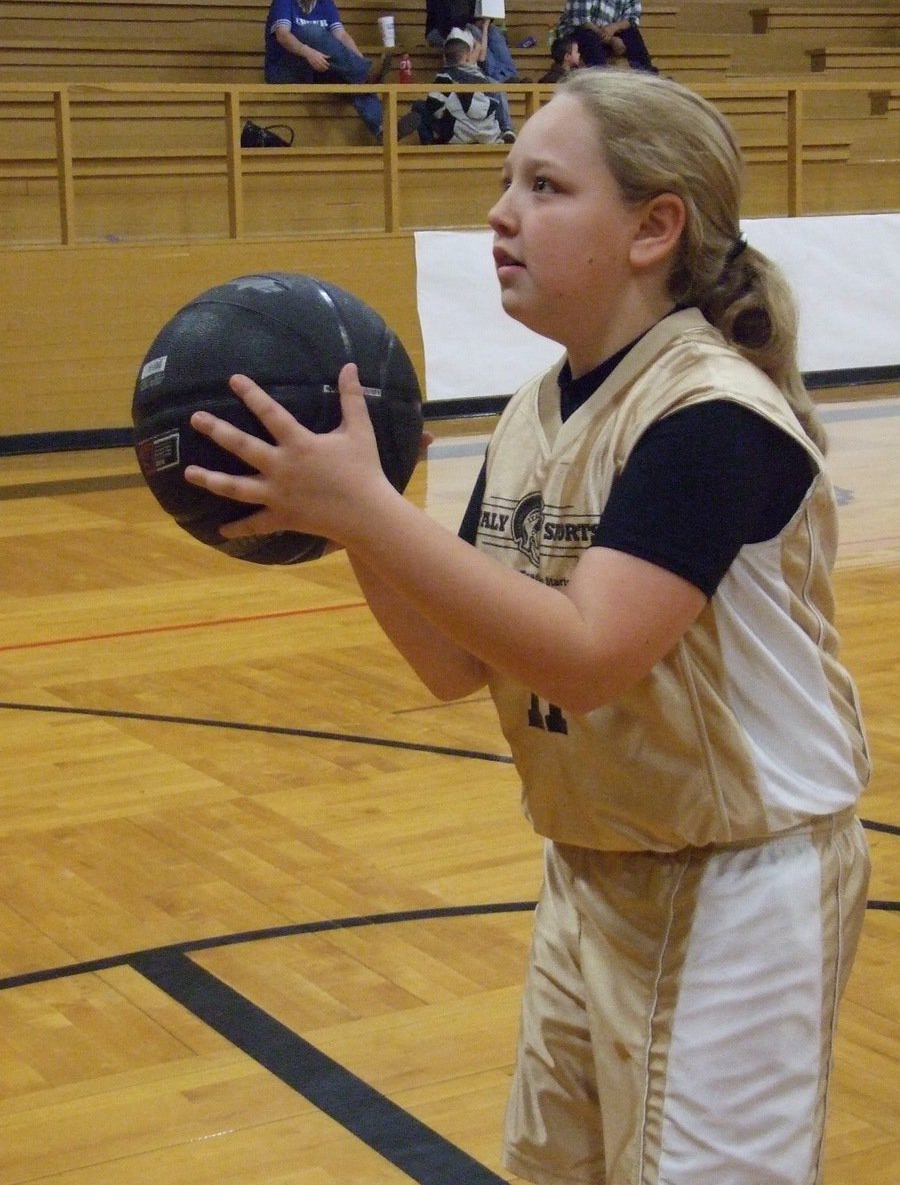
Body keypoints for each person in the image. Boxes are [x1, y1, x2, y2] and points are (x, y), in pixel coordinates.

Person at [184, 70, 872, 1185]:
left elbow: (590, 655)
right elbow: (457, 661)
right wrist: (357, 516)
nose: (501, 213)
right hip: (596, 866)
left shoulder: (712, 417)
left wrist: (362, 506)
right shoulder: (534, 413)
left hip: (747, 884)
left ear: (655, 228)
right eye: (505, 182)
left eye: (544, 186)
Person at [264, 0, 390, 141]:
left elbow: (342, 36)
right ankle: (364, 73)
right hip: (285, 69)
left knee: (354, 79)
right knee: (312, 31)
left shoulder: (325, 3)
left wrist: (360, 61)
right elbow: (282, 35)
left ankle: (384, 130)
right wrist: (308, 52)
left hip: (317, 68)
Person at [425, 0, 525, 83]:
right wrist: (472, 25)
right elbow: (440, 15)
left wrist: (485, 20)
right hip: (441, 29)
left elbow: (486, 5)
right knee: (476, 34)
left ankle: (510, 75)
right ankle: (499, 78)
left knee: (495, 33)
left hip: (472, 23)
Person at [556, 0, 657, 73]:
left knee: (632, 33)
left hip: (606, 35)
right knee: (587, 35)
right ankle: (601, 77)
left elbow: (633, 18)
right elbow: (582, 22)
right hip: (575, 37)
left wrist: (615, 27)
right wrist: (611, 40)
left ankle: (648, 75)